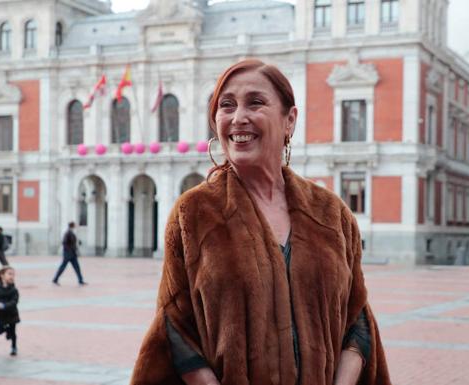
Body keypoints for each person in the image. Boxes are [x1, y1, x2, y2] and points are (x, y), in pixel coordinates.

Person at [130, 60, 390, 385]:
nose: (238, 117)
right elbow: (175, 327)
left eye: (255, 102)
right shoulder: (194, 213)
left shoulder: (331, 214)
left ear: (289, 120)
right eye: (227, 105)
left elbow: (357, 317)